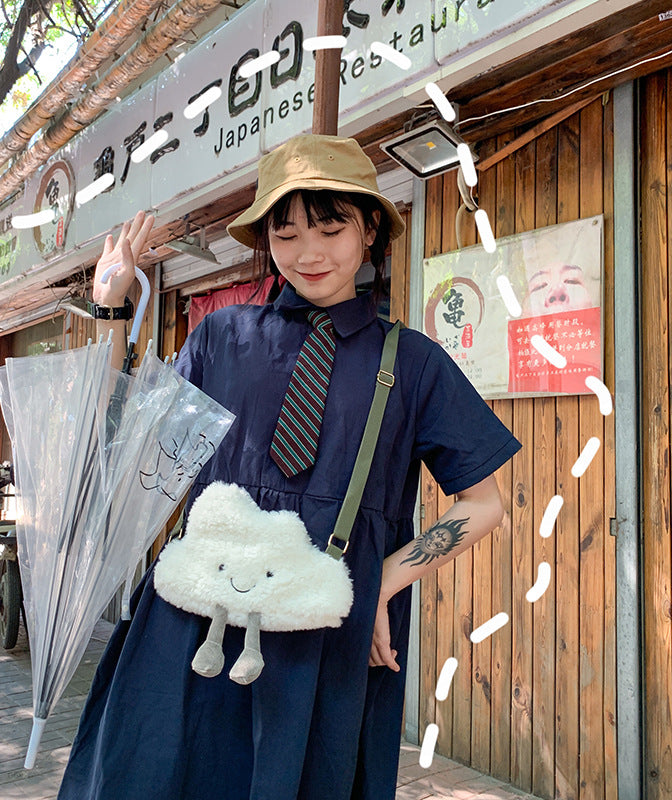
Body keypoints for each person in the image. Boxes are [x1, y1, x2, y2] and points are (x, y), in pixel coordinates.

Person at [58, 134, 521, 800]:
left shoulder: (414, 363)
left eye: (331, 227)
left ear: (368, 231)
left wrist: (384, 582)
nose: (309, 251)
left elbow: (484, 503)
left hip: (324, 636)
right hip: (195, 619)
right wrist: (109, 310)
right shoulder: (220, 337)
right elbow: (125, 453)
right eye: (288, 232)